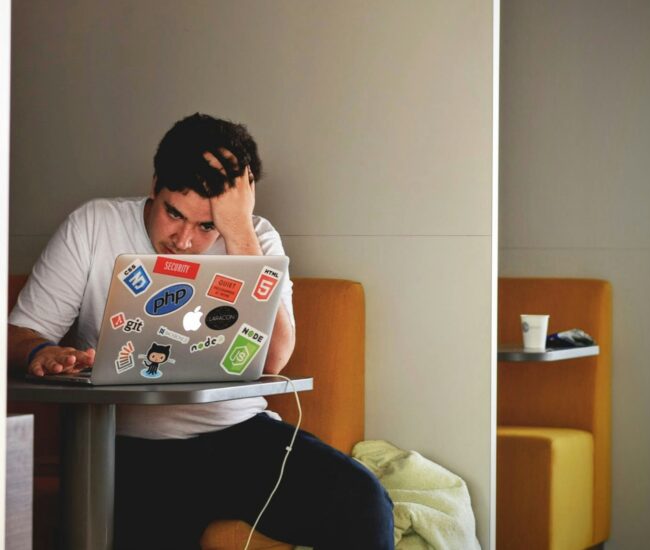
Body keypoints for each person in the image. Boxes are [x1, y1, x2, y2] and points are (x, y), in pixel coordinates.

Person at [7, 113, 394, 550]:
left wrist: (238, 232)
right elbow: (19, 333)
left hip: (240, 436)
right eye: (174, 213)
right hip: (130, 447)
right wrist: (41, 351)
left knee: (363, 501)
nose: (185, 240)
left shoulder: (256, 238)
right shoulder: (93, 225)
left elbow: (274, 359)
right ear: (154, 185)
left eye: (206, 225)